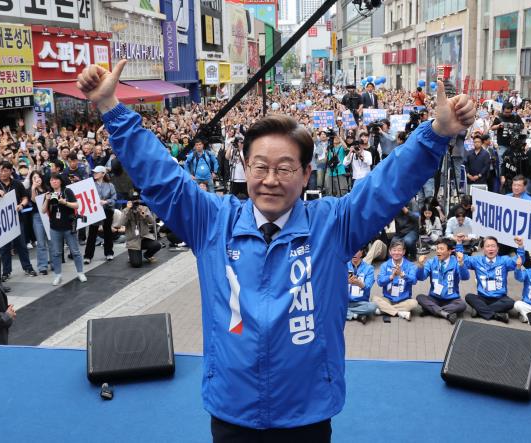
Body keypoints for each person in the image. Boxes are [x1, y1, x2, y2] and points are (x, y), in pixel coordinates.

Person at [78, 59, 474, 439]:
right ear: (244, 168)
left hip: (307, 412)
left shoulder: (333, 224)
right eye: (260, 167)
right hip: (233, 409)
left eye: (284, 168)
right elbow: (161, 177)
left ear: (305, 174)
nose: (270, 179)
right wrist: (111, 107)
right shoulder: (212, 221)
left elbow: (388, 184)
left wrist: (436, 133)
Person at [0, 162, 36, 280]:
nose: (3, 173)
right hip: (1, 221)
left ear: (10, 171)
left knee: (22, 245)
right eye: (0, 170)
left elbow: (25, 197)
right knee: (5, 248)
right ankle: (6, 271)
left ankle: (28, 267)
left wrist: (21, 205)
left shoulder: (17, 184)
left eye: (5, 170)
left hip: (16, 218)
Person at [457, 236, 524, 323]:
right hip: (482, 297)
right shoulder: (477, 260)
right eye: (488, 246)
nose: (490, 249)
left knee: (511, 303)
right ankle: (497, 315)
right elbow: (461, 257)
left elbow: (519, 260)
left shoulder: (504, 260)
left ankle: (479, 311)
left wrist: (520, 246)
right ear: (483, 249)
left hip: (500, 297)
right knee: (469, 297)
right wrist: (459, 243)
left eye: (493, 246)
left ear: (497, 248)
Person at [42, 173, 86, 286]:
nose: (54, 182)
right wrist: (47, 200)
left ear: (60, 181)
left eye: (56, 180)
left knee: (75, 251)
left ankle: (80, 272)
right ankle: (58, 275)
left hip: (68, 226)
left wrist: (64, 202)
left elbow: (77, 205)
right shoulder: (48, 194)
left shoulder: (67, 191)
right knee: (56, 253)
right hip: (55, 227)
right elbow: (43, 210)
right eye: (52, 180)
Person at [415, 238, 468, 324]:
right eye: (437, 248)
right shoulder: (431, 262)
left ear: (450, 251)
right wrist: (420, 265)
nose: (438, 251)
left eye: (442, 249)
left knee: (462, 305)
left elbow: (465, 277)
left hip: (452, 299)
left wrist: (461, 263)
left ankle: (433, 310)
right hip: (434, 298)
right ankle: (446, 314)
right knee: (419, 297)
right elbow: (421, 278)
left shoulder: (455, 262)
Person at [376, 238, 419, 321]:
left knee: (414, 303)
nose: (396, 252)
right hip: (388, 299)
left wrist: (402, 275)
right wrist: (391, 277)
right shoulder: (385, 265)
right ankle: (400, 313)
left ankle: (385, 310)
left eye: (399, 250)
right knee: (374, 299)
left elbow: (414, 281)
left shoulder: (410, 265)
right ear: (390, 251)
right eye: (394, 250)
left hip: (404, 300)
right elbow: (380, 282)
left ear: (403, 252)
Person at [84, 166, 117, 263]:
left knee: (108, 232)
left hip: (107, 210)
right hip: (94, 211)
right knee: (92, 233)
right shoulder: (90, 185)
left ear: (103, 173)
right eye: (94, 172)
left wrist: (106, 202)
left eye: (97, 172)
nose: (95, 174)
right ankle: (88, 256)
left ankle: (109, 253)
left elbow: (114, 199)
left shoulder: (110, 185)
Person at [121, 199, 161, 267]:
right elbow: (122, 223)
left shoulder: (144, 208)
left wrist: (143, 213)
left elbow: (152, 221)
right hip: (133, 240)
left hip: (144, 238)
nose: (135, 204)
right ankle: (131, 254)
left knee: (157, 245)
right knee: (136, 264)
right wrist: (128, 209)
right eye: (134, 202)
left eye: (137, 202)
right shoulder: (126, 210)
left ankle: (147, 255)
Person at [27, 171, 50, 275]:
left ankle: (54, 263)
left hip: (49, 215)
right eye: (34, 177)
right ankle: (42, 266)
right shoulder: (31, 190)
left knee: (51, 240)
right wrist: (33, 188)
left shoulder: (47, 188)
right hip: (37, 217)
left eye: (38, 176)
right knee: (41, 242)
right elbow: (34, 200)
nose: (37, 179)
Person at [345, 248, 376, 324]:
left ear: (362, 252)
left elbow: (368, 287)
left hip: (361, 302)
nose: (354, 253)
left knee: (373, 307)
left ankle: (347, 313)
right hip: (345, 301)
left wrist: (359, 283)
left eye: (356, 251)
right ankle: (357, 316)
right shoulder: (344, 266)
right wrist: (346, 282)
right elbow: (336, 285)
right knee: (331, 306)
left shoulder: (369, 268)